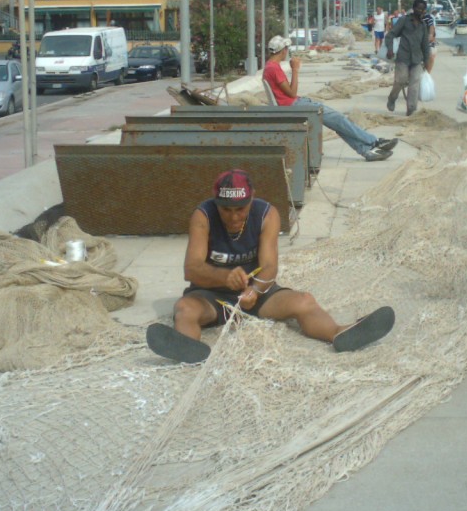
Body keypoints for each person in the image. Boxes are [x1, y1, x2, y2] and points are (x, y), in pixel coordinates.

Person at [146, 169, 396, 363]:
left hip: (258, 293)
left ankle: (338, 333)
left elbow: (269, 266)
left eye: (241, 209)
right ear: (216, 203)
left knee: (304, 301)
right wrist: (224, 278)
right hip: (212, 296)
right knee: (185, 309)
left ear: (251, 200)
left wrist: (254, 291)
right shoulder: (203, 216)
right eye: (226, 210)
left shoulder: (267, 214)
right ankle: (189, 349)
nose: (233, 217)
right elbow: (192, 269)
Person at [263, 35, 398, 162]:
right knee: (338, 119)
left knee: (337, 122)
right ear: (283, 50)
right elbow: (292, 93)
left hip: (293, 104)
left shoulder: (269, 66)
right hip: (293, 105)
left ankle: (367, 151)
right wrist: (295, 70)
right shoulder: (274, 69)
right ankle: (374, 142)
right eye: (287, 49)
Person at [385, 0, 432, 116]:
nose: (420, 11)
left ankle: (411, 108)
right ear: (414, 8)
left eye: (423, 9)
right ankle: (392, 98)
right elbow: (390, 35)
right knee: (400, 80)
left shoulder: (423, 26)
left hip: (417, 59)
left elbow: (425, 45)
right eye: (418, 8)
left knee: (414, 83)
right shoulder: (404, 20)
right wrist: (390, 49)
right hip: (403, 57)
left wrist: (427, 61)